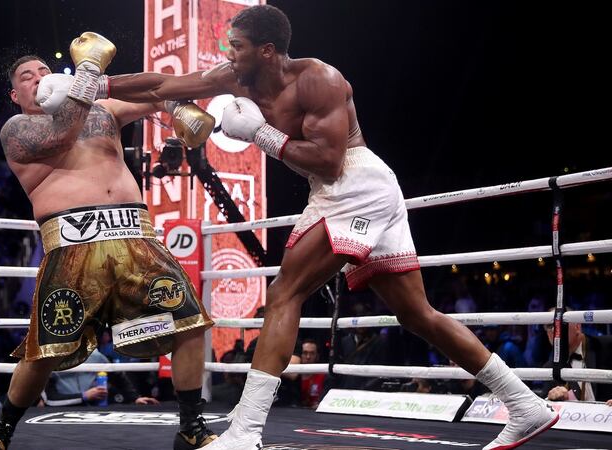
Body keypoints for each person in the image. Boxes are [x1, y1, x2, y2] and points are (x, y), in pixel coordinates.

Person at [104, 5, 558, 449]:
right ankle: (525, 404)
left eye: (237, 46)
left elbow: (330, 160)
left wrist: (261, 134)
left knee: (285, 293)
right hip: (341, 189)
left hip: (355, 183)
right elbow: (162, 83)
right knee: (417, 315)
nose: (229, 54)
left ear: (266, 50)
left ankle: (244, 432)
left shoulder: (320, 79)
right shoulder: (235, 75)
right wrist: (92, 83)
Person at [0, 32, 218, 450]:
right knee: (47, 350)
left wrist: (184, 103)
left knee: (189, 322)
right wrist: (88, 71)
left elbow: (154, 91)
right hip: (73, 246)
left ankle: (191, 426)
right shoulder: (18, 129)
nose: (38, 78)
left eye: (45, 71)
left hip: (136, 238)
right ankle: (2, 430)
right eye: (27, 77)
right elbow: (61, 134)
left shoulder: (101, 111)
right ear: (15, 95)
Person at [40, 349, 159, 406]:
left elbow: (117, 375)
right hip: (60, 413)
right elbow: (50, 400)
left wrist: (135, 398)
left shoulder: (95, 355)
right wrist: (84, 396)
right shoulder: (50, 360)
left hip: (92, 411)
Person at [542, 310, 612, 402]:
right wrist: (552, 397)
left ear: (577, 326)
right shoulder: (550, 367)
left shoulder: (607, 346)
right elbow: (544, 405)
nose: (554, 330)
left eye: (560, 324)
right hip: (576, 415)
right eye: (549, 326)